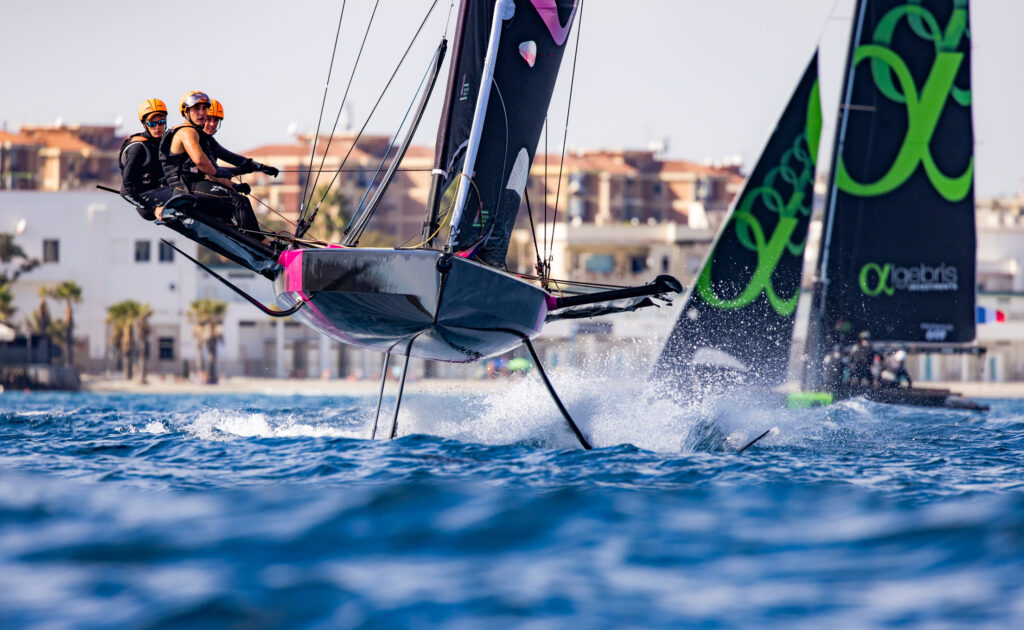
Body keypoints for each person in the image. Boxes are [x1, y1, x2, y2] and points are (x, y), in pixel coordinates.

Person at [157, 91, 261, 238]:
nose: (201, 113)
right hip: (185, 189)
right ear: (186, 112)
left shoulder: (198, 134)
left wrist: (251, 172)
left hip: (190, 187)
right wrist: (218, 171)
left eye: (204, 109)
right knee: (239, 201)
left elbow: (224, 160)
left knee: (227, 212)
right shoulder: (187, 132)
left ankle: (246, 240)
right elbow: (201, 162)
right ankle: (263, 243)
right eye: (196, 109)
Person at [119, 98, 173, 221]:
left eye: (161, 122)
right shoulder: (138, 148)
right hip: (147, 203)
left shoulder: (162, 142)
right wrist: (153, 209)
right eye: (152, 124)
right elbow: (125, 191)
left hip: (160, 192)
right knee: (186, 196)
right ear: (144, 124)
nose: (157, 127)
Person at [203, 99, 279, 183]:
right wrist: (241, 170)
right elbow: (213, 170)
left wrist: (262, 167)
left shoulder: (209, 141)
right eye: (208, 119)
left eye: (216, 120)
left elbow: (234, 158)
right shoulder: (197, 139)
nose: (212, 124)